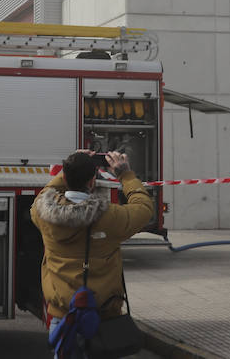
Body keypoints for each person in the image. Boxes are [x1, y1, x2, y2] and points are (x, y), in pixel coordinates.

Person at [32, 149, 154, 353]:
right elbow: (144, 208)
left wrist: (69, 170)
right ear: (92, 182)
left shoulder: (42, 214)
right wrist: (125, 175)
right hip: (103, 319)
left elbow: (44, 195)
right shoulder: (110, 217)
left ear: (65, 177)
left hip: (63, 319)